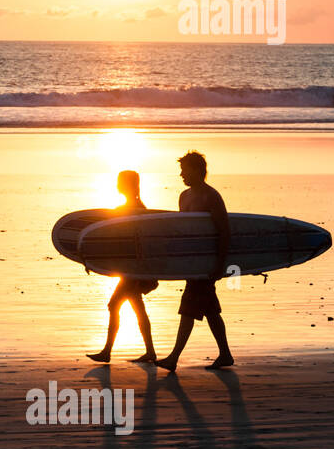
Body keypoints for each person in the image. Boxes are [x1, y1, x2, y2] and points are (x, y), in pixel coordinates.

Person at [155, 151, 234, 372]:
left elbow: (224, 232)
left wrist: (220, 264)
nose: (181, 174)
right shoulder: (184, 196)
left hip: (207, 263)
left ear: (198, 170)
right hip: (192, 263)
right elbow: (184, 232)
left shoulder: (211, 197)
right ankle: (225, 354)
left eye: (185, 170)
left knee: (189, 308)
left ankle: (173, 358)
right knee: (209, 310)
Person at [87, 170, 158, 364]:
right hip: (134, 270)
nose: (117, 184)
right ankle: (149, 351)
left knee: (115, 305)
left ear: (127, 185)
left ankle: (108, 351)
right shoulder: (137, 207)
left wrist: (91, 258)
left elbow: (116, 241)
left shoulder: (132, 209)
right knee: (137, 308)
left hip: (134, 272)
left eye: (120, 181)